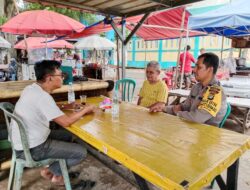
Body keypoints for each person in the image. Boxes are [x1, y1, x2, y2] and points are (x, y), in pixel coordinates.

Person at [11, 60, 95, 185]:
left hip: (25, 141)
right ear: (49, 78)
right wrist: (86, 110)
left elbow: (46, 107)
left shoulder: (32, 89)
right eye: (61, 76)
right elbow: (66, 122)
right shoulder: (43, 97)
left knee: (68, 136)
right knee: (81, 152)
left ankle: (58, 172)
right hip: (32, 148)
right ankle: (51, 172)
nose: (63, 78)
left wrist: (67, 106)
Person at [150, 53, 227, 127]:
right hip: (191, 128)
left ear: (210, 70)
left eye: (199, 67)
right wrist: (164, 108)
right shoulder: (196, 87)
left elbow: (197, 118)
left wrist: (178, 113)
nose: (194, 70)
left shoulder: (215, 91)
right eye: (195, 66)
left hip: (206, 134)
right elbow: (185, 107)